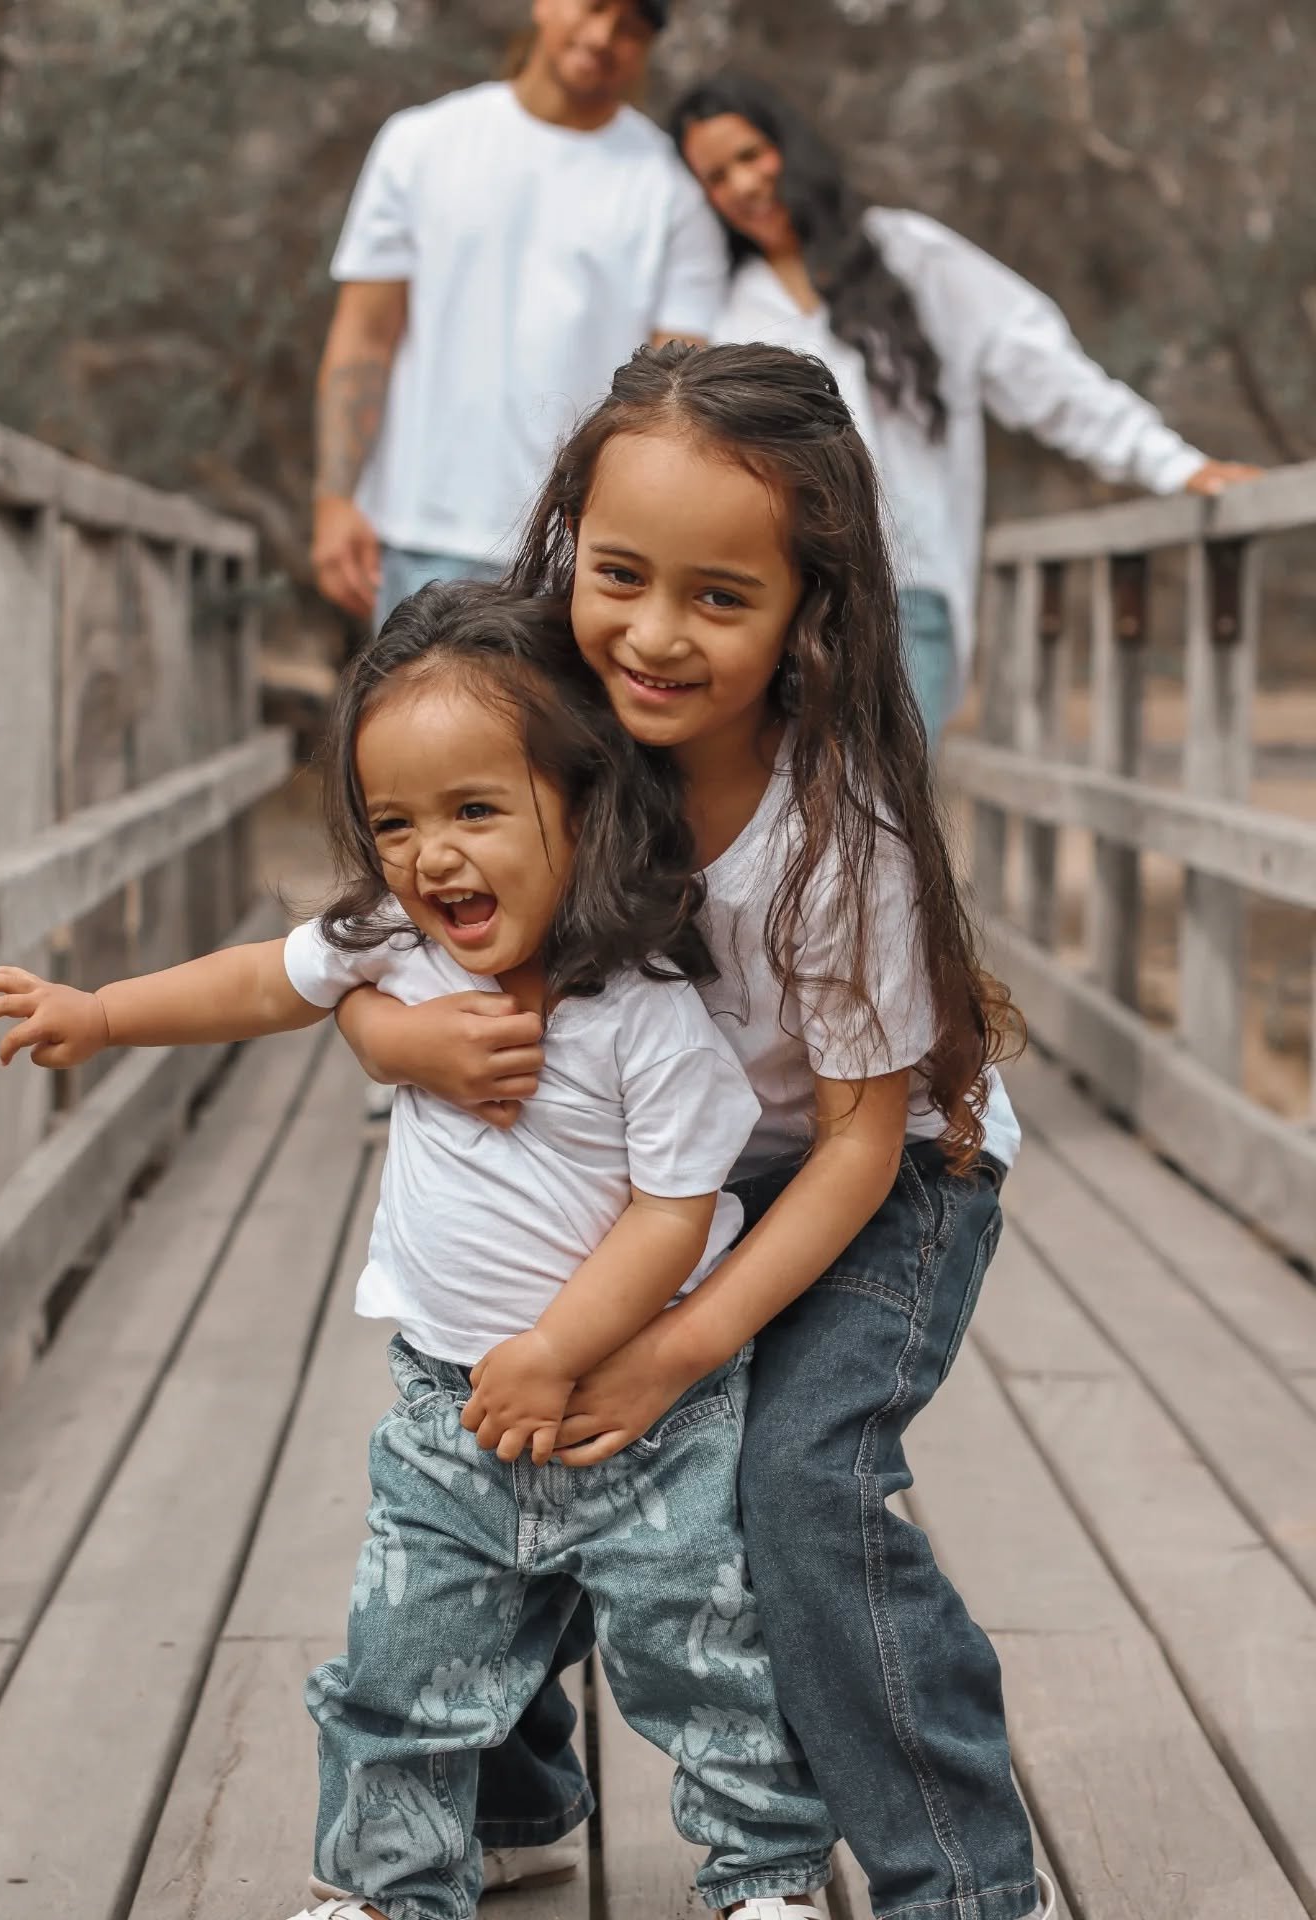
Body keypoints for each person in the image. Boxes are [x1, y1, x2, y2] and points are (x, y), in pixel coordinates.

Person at [0, 580, 841, 1920]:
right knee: (401, 1663)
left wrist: (557, 1349)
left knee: (702, 1655)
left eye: (475, 811)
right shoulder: (389, 946)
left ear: (584, 805)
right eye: (395, 824)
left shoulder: (645, 1010)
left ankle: (765, 1877)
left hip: (635, 1415)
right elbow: (264, 980)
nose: (430, 857)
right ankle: (389, 1889)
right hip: (450, 1410)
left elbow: (674, 1214)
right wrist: (100, 1010)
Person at [339, 342, 1058, 1920]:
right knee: (498, 1410)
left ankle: (964, 1883)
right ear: (567, 553)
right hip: (647, 1174)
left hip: (876, 1177)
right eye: (618, 576)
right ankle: (512, 1805)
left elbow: (863, 1147)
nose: (653, 635)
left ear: (813, 609)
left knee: (786, 1475)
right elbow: (368, 936)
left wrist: (683, 1350)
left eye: (720, 599)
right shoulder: (538, 732)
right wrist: (396, 1033)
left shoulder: (834, 830)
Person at [668, 77, 1261, 740]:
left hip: (905, 599)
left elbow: (1042, 370)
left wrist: (1172, 464)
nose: (743, 186)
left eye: (750, 156)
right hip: (777, 609)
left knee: (879, 821)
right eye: (716, 177)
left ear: (788, 147)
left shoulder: (908, 254)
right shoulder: (724, 310)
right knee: (791, 828)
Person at [309, 0, 727, 633]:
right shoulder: (420, 143)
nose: (603, 37)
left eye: (633, 28)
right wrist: (335, 499)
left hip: (579, 554)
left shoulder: (672, 194)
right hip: (419, 535)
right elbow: (366, 335)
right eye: (593, 8)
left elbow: (677, 390)